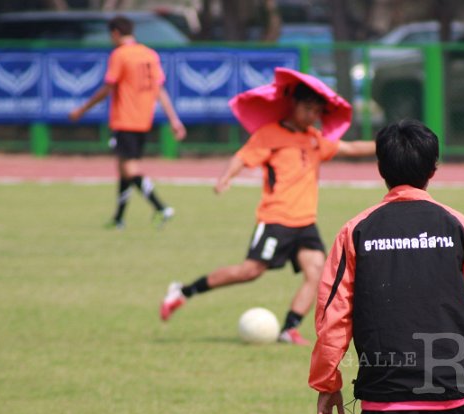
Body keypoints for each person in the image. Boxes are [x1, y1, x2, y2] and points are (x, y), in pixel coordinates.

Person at [309, 120, 464, 414]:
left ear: (380, 169)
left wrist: (328, 381)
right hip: (454, 387)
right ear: (434, 169)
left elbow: (333, 315)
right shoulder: (459, 226)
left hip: (386, 392)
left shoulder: (356, 230)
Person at [159, 69, 375, 345]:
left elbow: (352, 148)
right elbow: (241, 157)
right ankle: (183, 291)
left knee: (317, 274)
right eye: (308, 108)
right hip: (276, 219)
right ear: (293, 105)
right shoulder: (269, 135)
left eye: (317, 111)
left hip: (305, 222)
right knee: (250, 271)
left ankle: (289, 328)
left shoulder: (314, 139)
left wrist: (391, 141)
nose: (312, 116)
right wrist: (226, 178)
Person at [69, 15, 186, 229]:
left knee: (130, 170)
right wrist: (174, 119)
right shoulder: (150, 55)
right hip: (144, 120)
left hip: (125, 119)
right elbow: (160, 90)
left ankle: (161, 208)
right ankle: (119, 218)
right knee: (124, 170)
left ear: (115, 33)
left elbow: (108, 87)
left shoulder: (120, 55)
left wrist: (82, 109)